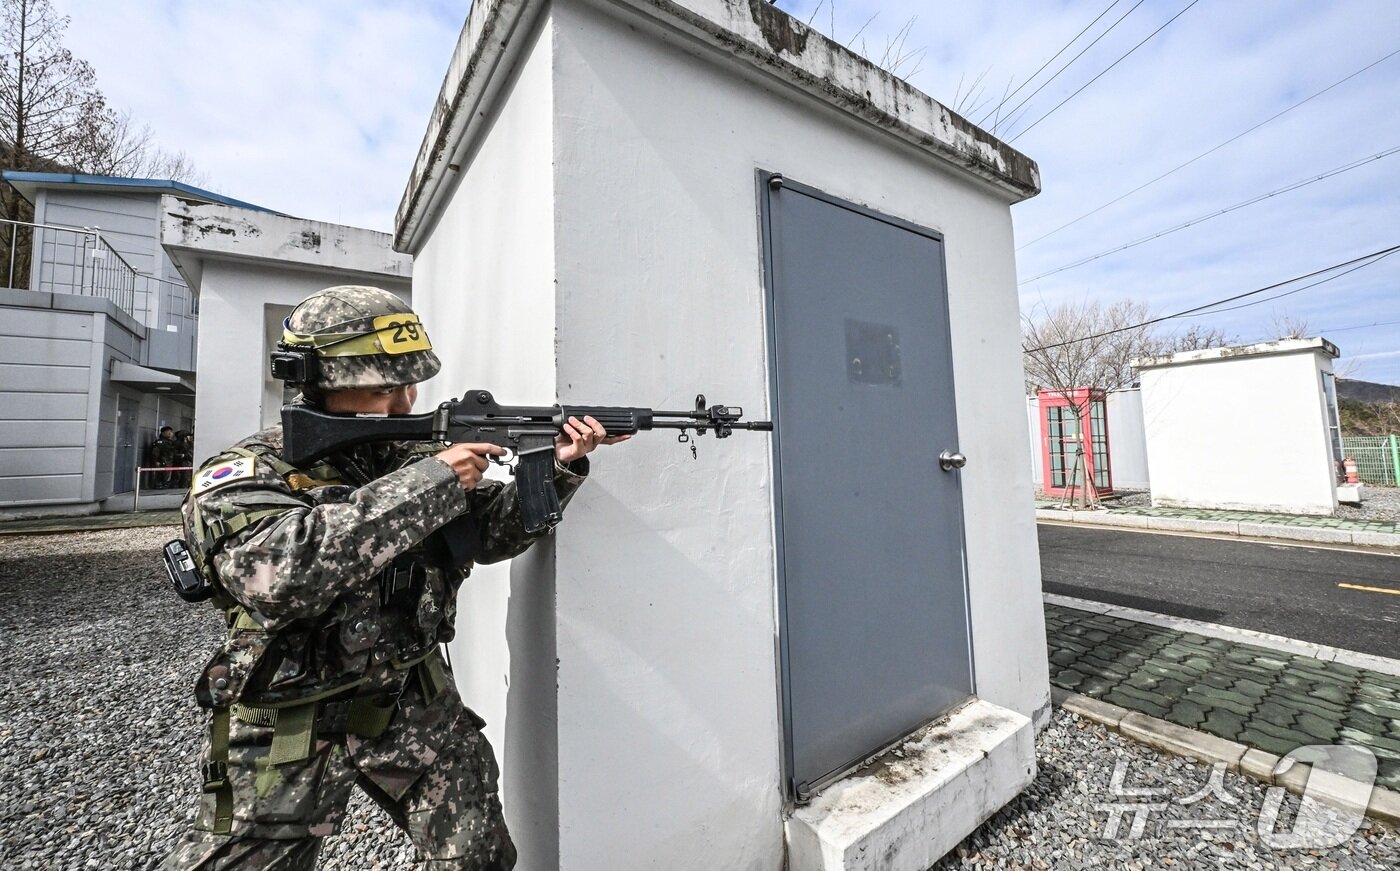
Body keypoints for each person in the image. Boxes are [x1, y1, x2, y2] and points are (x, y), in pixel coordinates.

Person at [160, 285, 627, 869]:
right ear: (319, 384)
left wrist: (555, 465)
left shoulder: (406, 455)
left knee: (477, 855)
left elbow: (489, 537)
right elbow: (280, 578)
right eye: (385, 389)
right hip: (291, 711)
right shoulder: (247, 472)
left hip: (411, 694)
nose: (406, 403)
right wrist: (434, 481)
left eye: (411, 385)